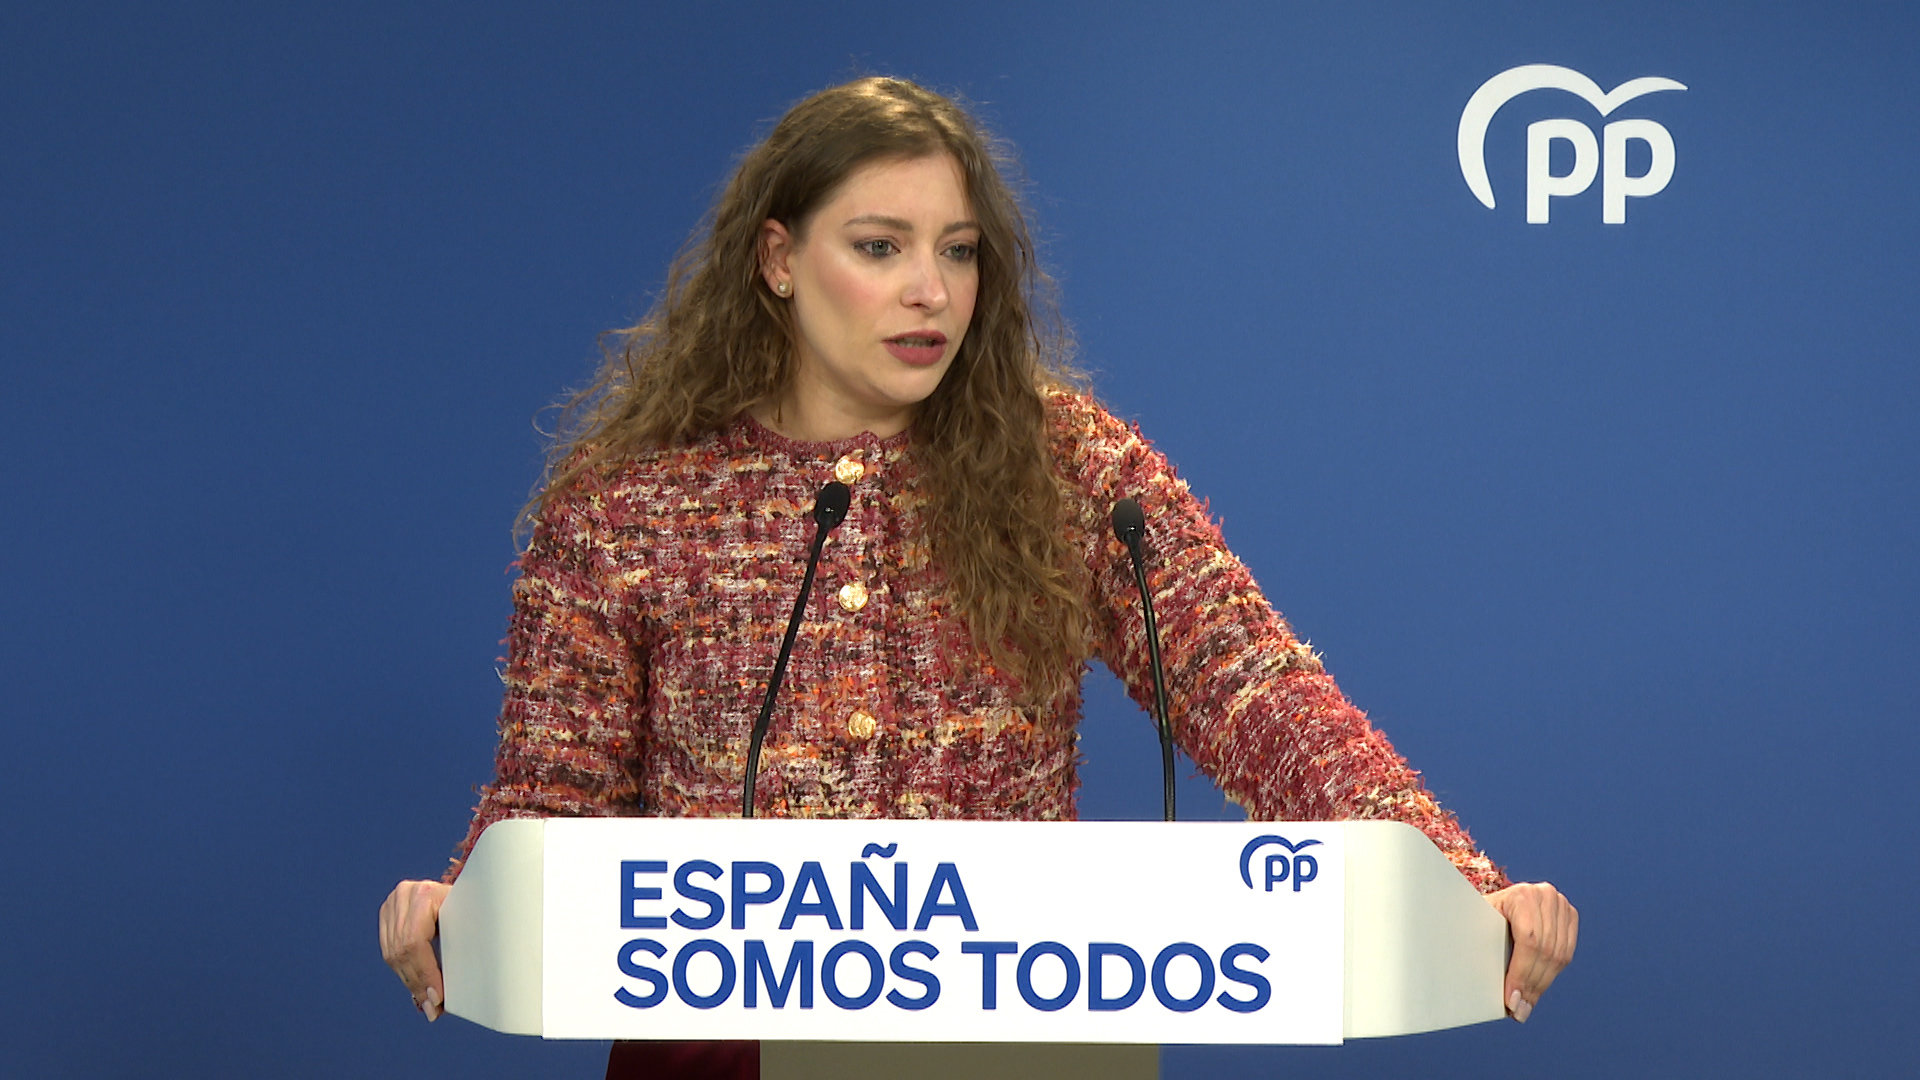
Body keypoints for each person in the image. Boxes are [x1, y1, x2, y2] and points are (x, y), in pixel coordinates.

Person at [379, 75, 1577, 1073]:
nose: (931, 290)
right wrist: (460, 905)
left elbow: (1256, 691)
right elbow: (554, 799)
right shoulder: (628, 506)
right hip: (720, 1050)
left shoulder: (1073, 469)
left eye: (958, 252)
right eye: (880, 247)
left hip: (1008, 1041)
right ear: (779, 259)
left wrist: (1459, 880)